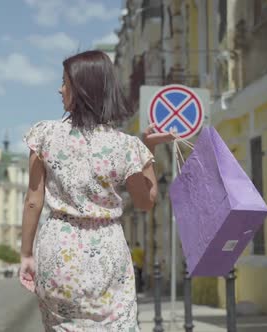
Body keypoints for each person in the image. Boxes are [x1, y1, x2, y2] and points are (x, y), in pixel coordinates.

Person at [18, 50, 174, 330]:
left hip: (58, 253)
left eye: (65, 82)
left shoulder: (45, 135)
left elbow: (33, 200)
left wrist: (26, 253)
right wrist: (147, 150)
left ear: (81, 90)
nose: (60, 89)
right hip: (106, 253)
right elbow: (145, 202)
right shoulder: (125, 146)